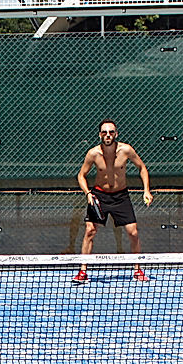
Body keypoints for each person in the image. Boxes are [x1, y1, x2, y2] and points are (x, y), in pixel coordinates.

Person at [72, 119, 153, 285]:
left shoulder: (126, 150)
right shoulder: (93, 153)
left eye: (111, 132)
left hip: (120, 196)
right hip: (99, 195)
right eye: (104, 132)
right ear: (99, 135)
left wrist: (146, 190)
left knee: (133, 232)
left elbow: (142, 168)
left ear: (116, 134)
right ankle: (83, 271)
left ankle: (137, 270)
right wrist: (88, 193)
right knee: (90, 231)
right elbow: (81, 175)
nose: (107, 135)